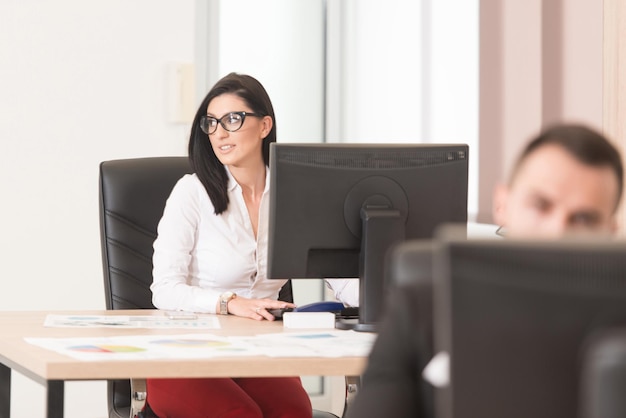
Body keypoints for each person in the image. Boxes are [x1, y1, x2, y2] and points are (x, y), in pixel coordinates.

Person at [345, 123, 624, 418]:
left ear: (609, 230)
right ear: (502, 203)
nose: (557, 231)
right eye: (540, 205)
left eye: (583, 219)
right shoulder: (421, 312)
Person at [147, 72, 357, 418]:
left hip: (259, 352)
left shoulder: (295, 196)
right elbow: (164, 290)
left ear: (264, 126)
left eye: (233, 119)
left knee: (294, 413)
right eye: (211, 123)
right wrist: (230, 303)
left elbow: (340, 275)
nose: (220, 132)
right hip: (184, 352)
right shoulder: (192, 193)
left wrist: (385, 295)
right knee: (239, 414)